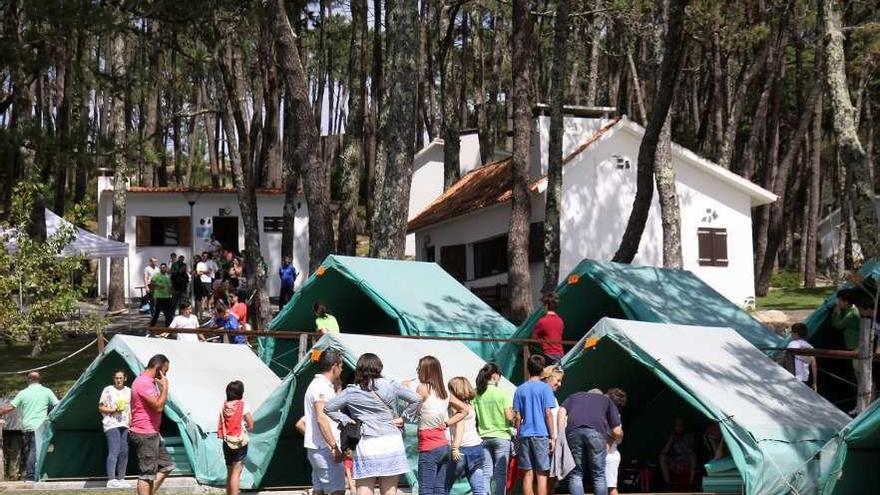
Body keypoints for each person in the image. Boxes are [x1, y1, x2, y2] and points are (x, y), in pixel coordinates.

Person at [325, 353, 421, 495]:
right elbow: (416, 399)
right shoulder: (391, 385)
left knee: (364, 488)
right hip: (391, 440)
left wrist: (347, 420)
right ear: (379, 368)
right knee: (389, 490)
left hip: (367, 441)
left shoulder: (352, 391)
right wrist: (403, 418)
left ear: (359, 370)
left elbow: (328, 408)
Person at [557, 388, 623, 495]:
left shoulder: (574, 396)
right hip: (596, 432)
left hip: (573, 431)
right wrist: (620, 437)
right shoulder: (605, 400)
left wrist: (560, 433)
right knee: (599, 474)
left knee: (576, 474)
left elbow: (561, 410)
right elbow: (617, 431)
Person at [415, 355, 465, 495]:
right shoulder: (444, 392)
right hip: (443, 446)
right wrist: (446, 423)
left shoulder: (423, 388)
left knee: (426, 489)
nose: (417, 371)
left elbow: (413, 412)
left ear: (426, 370)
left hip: (428, 446)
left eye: (419, 368)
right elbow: (464, 410)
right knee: (439, 489)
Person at [0, 372, 59, 481]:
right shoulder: (47, 391)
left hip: (28, 427)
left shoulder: (23, 393)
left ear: (28, 379)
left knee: (31, 451)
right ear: (39, 379)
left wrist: (1, 412)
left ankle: (32, 475)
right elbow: (58, 405)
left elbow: (10, 408)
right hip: (41, 426)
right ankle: (32, 476)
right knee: (35, 451)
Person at [130, 354, 175, 495]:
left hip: (153, 432)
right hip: (144, 433)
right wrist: (165, 388)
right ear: (159, 368)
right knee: (147, 474)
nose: (165, 376)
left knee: (167, 466)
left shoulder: (150, 382)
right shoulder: (143, 383)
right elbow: (158, 407)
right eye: (165, 371)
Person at [512, 355, 557, 495]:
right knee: (542, 475)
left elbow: (518, 416)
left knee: (527, 475)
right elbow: (548, 413)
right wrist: (553, 436)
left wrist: (518, 435)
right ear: (543, 369)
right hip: (541, 434)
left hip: (525, 434)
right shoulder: (545, 388)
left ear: (528, 368)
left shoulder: (519, 390)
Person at [304, 350, 346, 495]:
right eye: (341, 366)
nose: (341, 370)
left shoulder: (321, 385)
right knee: (337, 491)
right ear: (334, 366)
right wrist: (334, 446)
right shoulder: (320, 387)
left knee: (319, 490)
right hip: (325, 448)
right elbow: (321, 418)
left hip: (318, 448)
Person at [473, 363, 513, 495]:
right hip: (502, 436)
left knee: (486, 472)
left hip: (483, 436)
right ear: (495, 375)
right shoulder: (502, 393)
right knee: (500, 473)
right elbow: (509, 416)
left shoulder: (477, 394)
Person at [447, 377, 487, 495]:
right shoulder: (470, 406)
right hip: (477, 447)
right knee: (479, 488)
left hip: (461, 449)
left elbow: (460, 427)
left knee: (443, 486)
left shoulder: (456, 408)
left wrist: (455, 448)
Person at [218, 380, 254, 495]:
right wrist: (245, 427)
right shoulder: (243, 405)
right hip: (239, 442)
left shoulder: (225, 405)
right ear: (241, 393)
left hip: (227, 441)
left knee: (230, 471)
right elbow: (251, 424)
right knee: (236, 472)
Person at [98, 370, 132, 488]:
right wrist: (113, 410)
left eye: (121, 378)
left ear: (125, 379)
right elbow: (101, 407)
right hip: (111, 423)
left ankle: (121, 478)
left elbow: (131, 409)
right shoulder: (108, 390)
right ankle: (111, 480)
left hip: (125, 424)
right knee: (114, 451)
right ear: (114, 379)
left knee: (124, 452)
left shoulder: (129, 391)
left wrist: (131, 424)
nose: (118, 380)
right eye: (116, 378)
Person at [540, 366, 565, 495]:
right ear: (549, 377)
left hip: (549, 439)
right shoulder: (546, 394)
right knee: (546, 475)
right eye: (558, 380)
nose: (559, 384)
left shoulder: (551, 396)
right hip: (548, 440)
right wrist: (553, 438)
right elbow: (548, 414)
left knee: (550, 476)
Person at [659, 417, 696, 487]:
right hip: (675, 464)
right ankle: (667, 483)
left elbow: (691, 451)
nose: (678, 427)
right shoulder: (671, 436)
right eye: (677, 425)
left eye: (681, 425)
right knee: (662, 456)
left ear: (684, 426)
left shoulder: (689, 436)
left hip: (686, 463)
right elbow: (664, 452)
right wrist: (670, 440)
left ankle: (691, 481)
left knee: (692, 455)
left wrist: (680, 441)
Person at [530, 293, 565, 365]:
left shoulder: (542, 321)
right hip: (560, 355)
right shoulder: (560, 321)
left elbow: (533, 338)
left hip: (548, 355)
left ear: (546, 306)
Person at [604, 389, 627, 495]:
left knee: (611, 489)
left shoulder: (614, 417)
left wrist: (602, 453)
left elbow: (613, 435)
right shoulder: (611, 415)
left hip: (609, 456)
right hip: (609, 455)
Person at [786, 323, 817, 390]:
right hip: (804, 377)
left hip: (792, 376)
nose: (791, 334)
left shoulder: (792, 344)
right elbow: (814, 365)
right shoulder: (810, 347)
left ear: (796, 333)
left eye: (792, 332)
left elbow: (785, 358)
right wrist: (814, 383)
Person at [149, 263, 174, 328]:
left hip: (167, 297)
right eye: (162, 267)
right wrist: (158, 285)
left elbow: (170, 286)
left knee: (168, 314)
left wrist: (171, 291)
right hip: (159, 297)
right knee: (157, 313)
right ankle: (152, 326)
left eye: (164, 267)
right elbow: (151, 285)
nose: (163, 268)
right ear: (160, 268)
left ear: (166, 268)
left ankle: (168, 327)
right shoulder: (156, 275)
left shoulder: (167, 276)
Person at [194, 254, 210, 319]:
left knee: (203, 299)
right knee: (198, 300)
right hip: (198, 283)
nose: (195, 260)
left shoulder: (205, 263)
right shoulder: (197, 264)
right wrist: (204, 272)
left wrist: (201, 272)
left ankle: (200, 315)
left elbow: (209, 271)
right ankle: (198, 315)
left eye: (196, 258)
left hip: (204, 282)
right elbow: (197, 272)